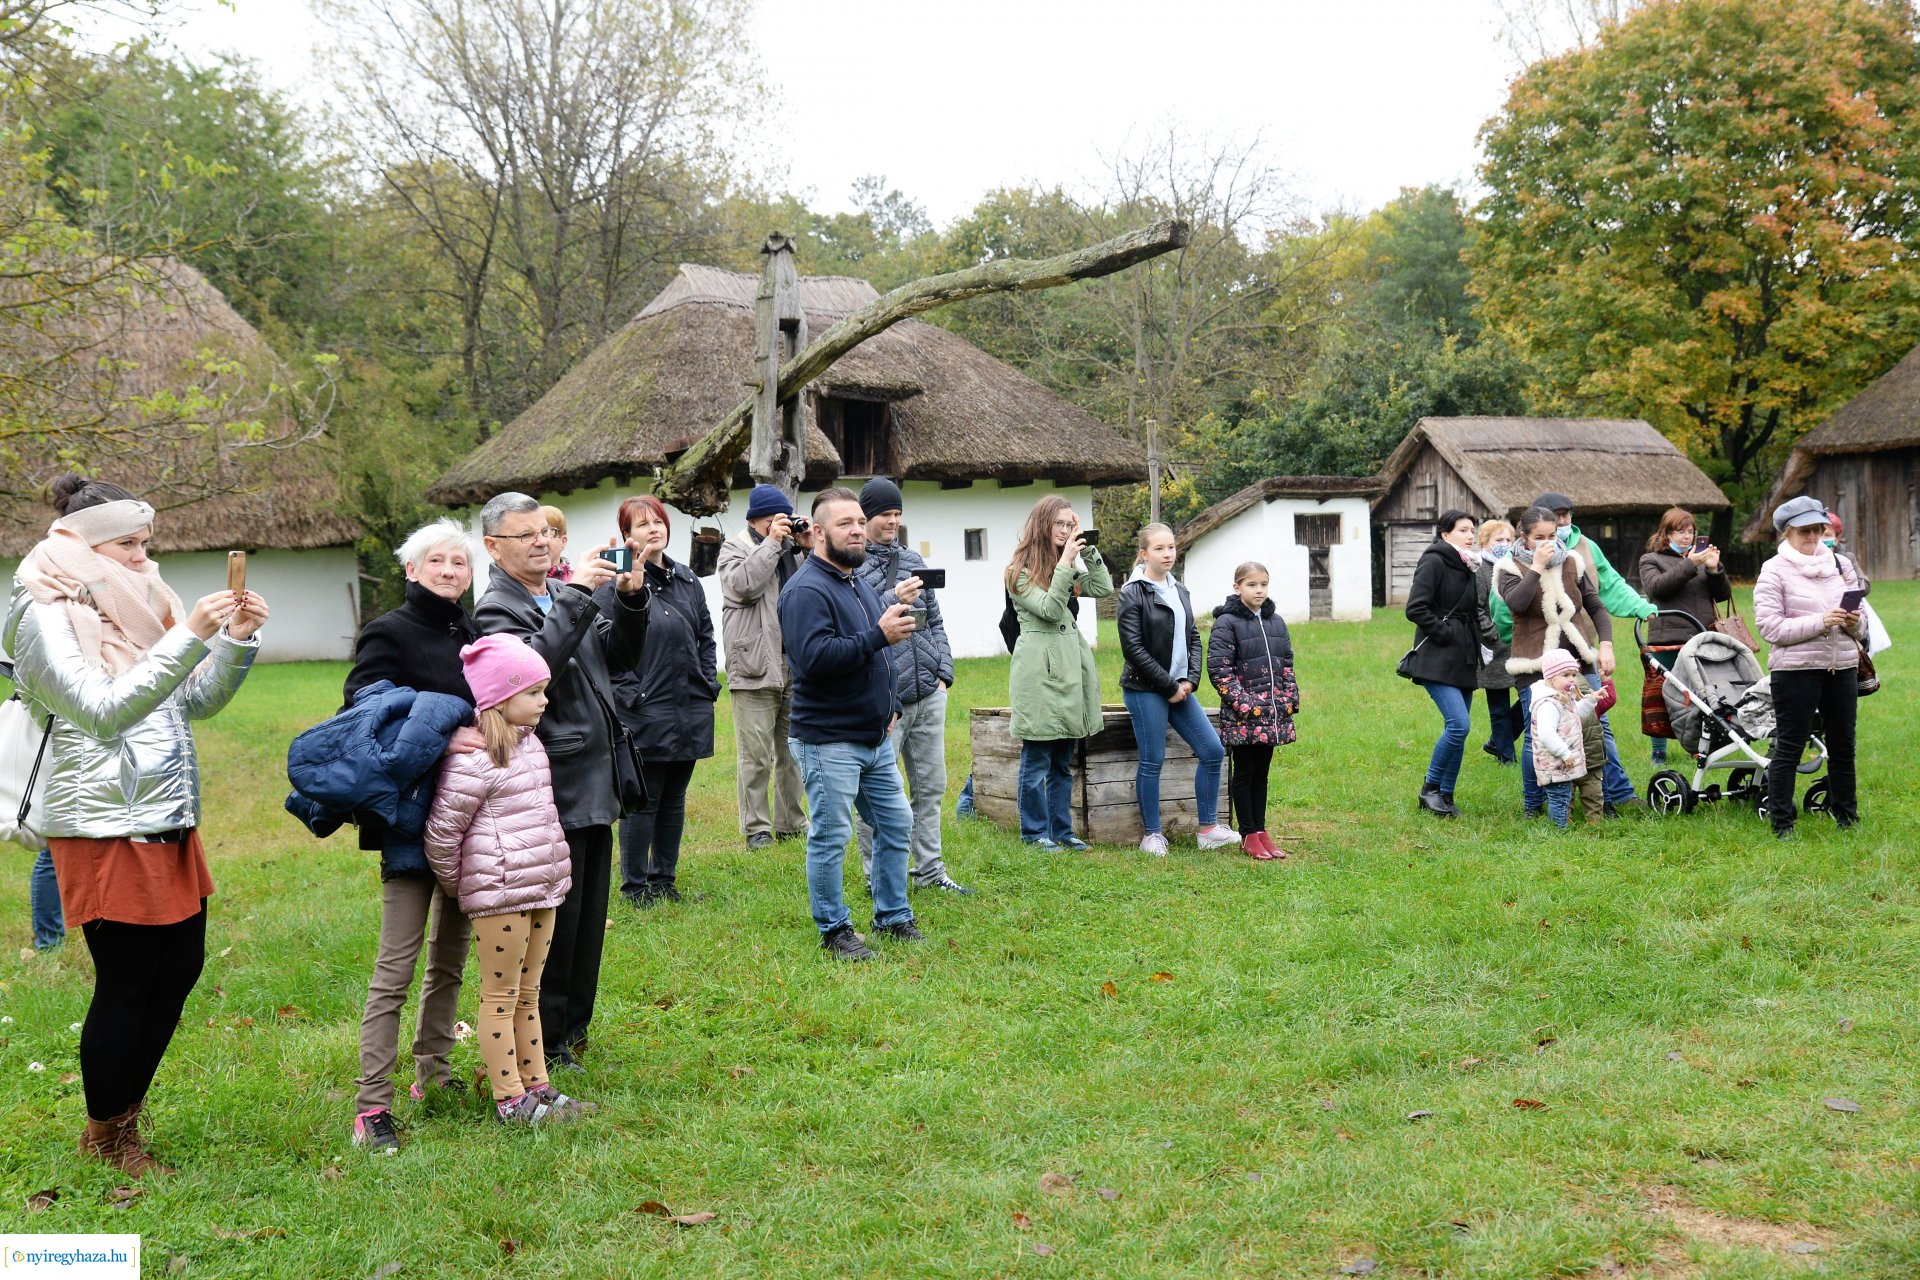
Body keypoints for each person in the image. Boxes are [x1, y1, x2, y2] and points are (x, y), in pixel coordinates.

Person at [5, 473, 266, 1176]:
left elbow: (194, 701)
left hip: (167, 810)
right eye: (128, 544)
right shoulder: (42, 607)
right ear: (85, 543)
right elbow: (103, 708)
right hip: (103, 823)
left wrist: (235, 640)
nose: (143, 557)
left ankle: (125, 1116)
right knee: (126, 983)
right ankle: (107, 1136)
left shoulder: (144, 599)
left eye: (147, 543)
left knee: (178, 971)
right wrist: (188, 635)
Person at [474, 491, 650, 1075]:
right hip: (551, 780)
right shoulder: (495, 611)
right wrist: (578, 597)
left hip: (595, 771)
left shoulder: (557, 593)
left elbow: (619, 658)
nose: (541, 542)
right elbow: (529, 671)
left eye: (546, 532)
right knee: (560, 917)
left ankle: (572, 1029)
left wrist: (628, 600)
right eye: (525, 536)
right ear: (493, 547)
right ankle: (546, 1038)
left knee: (590, 912)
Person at [341, 518, 484, 1154]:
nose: (451, 571)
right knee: (397, 964)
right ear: (412, 570)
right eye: (437, 562)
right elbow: (363, 709)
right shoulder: (388, 632)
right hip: (410, 814)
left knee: (451, 954)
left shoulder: (471, 630)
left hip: (470, 812)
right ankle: (373, 1107)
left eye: (459, 562)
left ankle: (436, 1071)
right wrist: (443, 729)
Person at [424, 634, 591, 1125]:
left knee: (529, 993)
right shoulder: (474, 758)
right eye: (534, 692)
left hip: (542, 888)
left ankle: (538, 1086)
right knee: (499, 998)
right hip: (499, 896)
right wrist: (468, 889)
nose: (545, 700)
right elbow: (442, 835)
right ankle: (509, 1100)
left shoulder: (531, 745)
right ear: (500, 697)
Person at [777, 486, 926, 960]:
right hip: (828, 739)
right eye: (846, 524)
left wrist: (891, 704)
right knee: (831, 835)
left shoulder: (855, 580)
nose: (858, 530)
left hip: (873, 734)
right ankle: (834, 929)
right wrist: (877, 635)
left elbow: (873, 652)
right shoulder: (805, 590)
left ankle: (893, 916)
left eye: (860, 522)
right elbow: (815, 659)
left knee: (896, 823)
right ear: (818, 533)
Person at [1491, 491, 1650, 808]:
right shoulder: (1507, 566)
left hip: (1579, 660)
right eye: (1539, 537)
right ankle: (1534, 805)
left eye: (1551, 535)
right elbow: (1517, 605)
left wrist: (1605, 644)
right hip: (1535, 666)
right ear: (1523, 537)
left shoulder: (1572, 562)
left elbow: (1596, 606)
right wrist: (1535, 567)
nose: (1548, 542)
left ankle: (1613, 797)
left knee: (1597, 729)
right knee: (1537, 736)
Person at [852, 477, 970, 895]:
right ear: (865, 516)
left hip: (927, 691)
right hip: (886, 698)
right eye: (885, 514)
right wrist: (890, 595)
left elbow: (934, 619)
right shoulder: (853, 564)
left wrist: (943, 672)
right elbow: (857, 620)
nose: (893, 521)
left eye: (898, 514)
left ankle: (930, 871)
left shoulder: (913, 558)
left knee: (930, 787)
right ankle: (877, 876)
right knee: (880, 796)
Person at [613, 495, 717, 907]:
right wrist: (629, 692)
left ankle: (664, 880)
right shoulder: (620, 578)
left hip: (690, 703)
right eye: (642, 525)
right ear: (627, 536)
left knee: (675, 799)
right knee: (644, 800)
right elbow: (609, 641)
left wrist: (708, 682)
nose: (653, 529)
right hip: (646, 707)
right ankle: (635, 888)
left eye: (658, 522)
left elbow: (706, 636)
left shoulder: (687, 579)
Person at [1117, 523, 1237, 856]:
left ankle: (1209, 829)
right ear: (1144, 554)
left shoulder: (1179, 589)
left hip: (1180, 688)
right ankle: (1152, 836)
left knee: (1213, 751)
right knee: (1152, 760)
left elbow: (1194, 638)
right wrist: (1168, 685)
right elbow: (1133, 648)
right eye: (1159, 548)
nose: (1168, 553)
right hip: (1145, 689)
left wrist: (1189, 681)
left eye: (1171, 547)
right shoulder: (1133, 592)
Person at [1753, 495, 1866, 839]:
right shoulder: (1773, 570)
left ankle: (1847, 816)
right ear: (1785, 533)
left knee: (1844, 745)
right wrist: (1820, 621)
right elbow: (1770, 628)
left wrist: (1851, 622)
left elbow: (1862, 629)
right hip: (1795, 672)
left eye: (1818, 530)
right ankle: (1782, 823)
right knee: (1790, 744)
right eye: (1804, 531)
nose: (1813, 538)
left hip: (1842, 666)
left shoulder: (1841, 565)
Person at [1005, 495, 1113, 850]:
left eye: (1071, 525)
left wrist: (1087, 551)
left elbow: (1103, 588)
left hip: (1068, 665)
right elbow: (1051, 609)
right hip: (1039, 669)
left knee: (1063, 759)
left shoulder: (1065, 565)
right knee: (1037, 758)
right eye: (1061, 524)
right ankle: (1035, 833)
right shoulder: (1018, 571)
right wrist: (1067, 562)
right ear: (1043, 525)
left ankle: (1062, 832)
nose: (1066, 530)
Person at [717, 484, 808, 851]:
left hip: (794, 664)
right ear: (756, 519)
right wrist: (772, 543)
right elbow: (744, 587)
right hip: (754, 664)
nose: (780, 525)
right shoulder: (733, 548)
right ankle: (757, 828)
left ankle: (790, 822)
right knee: (756, 755)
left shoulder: (792, 549)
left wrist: (808, 546)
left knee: (794, 752)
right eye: (774, 519)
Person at [1205, 560, 1298, 860]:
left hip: (1272, 715)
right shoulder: (1227, 623)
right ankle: (1247, 833)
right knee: (1245, 773)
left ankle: (1260, 829)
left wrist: (1288, 698)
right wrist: (1246, 705)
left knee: (1262, 774)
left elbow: (1286, 665)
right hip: (1244, 717)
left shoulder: (1276, 622)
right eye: (1252, 585)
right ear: (1237, 587)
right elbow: (1220, 671)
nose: (1259, 590)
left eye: (1263, 585)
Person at [1402, 510, 1492, 818]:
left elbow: (1474, 610)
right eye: (1464, 530)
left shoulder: (1469, 565)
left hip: (1464, 657)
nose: (1470, 535)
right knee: (1459, 725)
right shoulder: (1435, 560)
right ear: (1445, 534)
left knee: (1460, 729)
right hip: (1437, 658)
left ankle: (1446, 794)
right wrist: (1445, 633)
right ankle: (1429, 789)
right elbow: (1416, 608)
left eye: (1472, 530)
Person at [1636, 508, 1731, 766]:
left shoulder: (1701, 562)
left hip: (1703, 636)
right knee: (1663, 697)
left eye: (1691, 531)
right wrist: (1691, 564)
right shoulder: (1650, 559)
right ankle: (1659, 752)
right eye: (1681, 531)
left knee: (1702, 696)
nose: (1688, 536)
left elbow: (1722, 595)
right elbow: (1658, 588)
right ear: (1666, 534)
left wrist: (1714, 570)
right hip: (1667, 639)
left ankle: (1699, 747)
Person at [1474, 519, 1523, 764]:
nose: (1504, 544)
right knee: (1499, 705)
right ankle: (1506, 757)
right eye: (1498, 540)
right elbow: (1476, 607)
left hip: (1522, 645)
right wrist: (1491, 632)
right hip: (1492, 647)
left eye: (1507, 540)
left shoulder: (1516, 566)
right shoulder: (1479, 569)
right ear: (1485, 542)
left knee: (1532, 697)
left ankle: (1497, 740)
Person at [1529, 649, 1589, 830]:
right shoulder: (1548, 704)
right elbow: (1546, 735)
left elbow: (1577, 714)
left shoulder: (1564, 699)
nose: (1572, 679)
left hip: (1561, 761)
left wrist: (1592, 701)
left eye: (1573, 674)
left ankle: (1559, 828)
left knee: (1562, 796)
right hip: (1554, 761)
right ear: (1551, 679)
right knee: (1559, 798)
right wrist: (1565, 753)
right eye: (1565, 675)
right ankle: (1557, 831)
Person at [542, 505, 574, 584]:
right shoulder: (522, 581)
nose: (540, 541)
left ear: (563, 542)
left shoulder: (577, 580)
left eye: (547, 532)